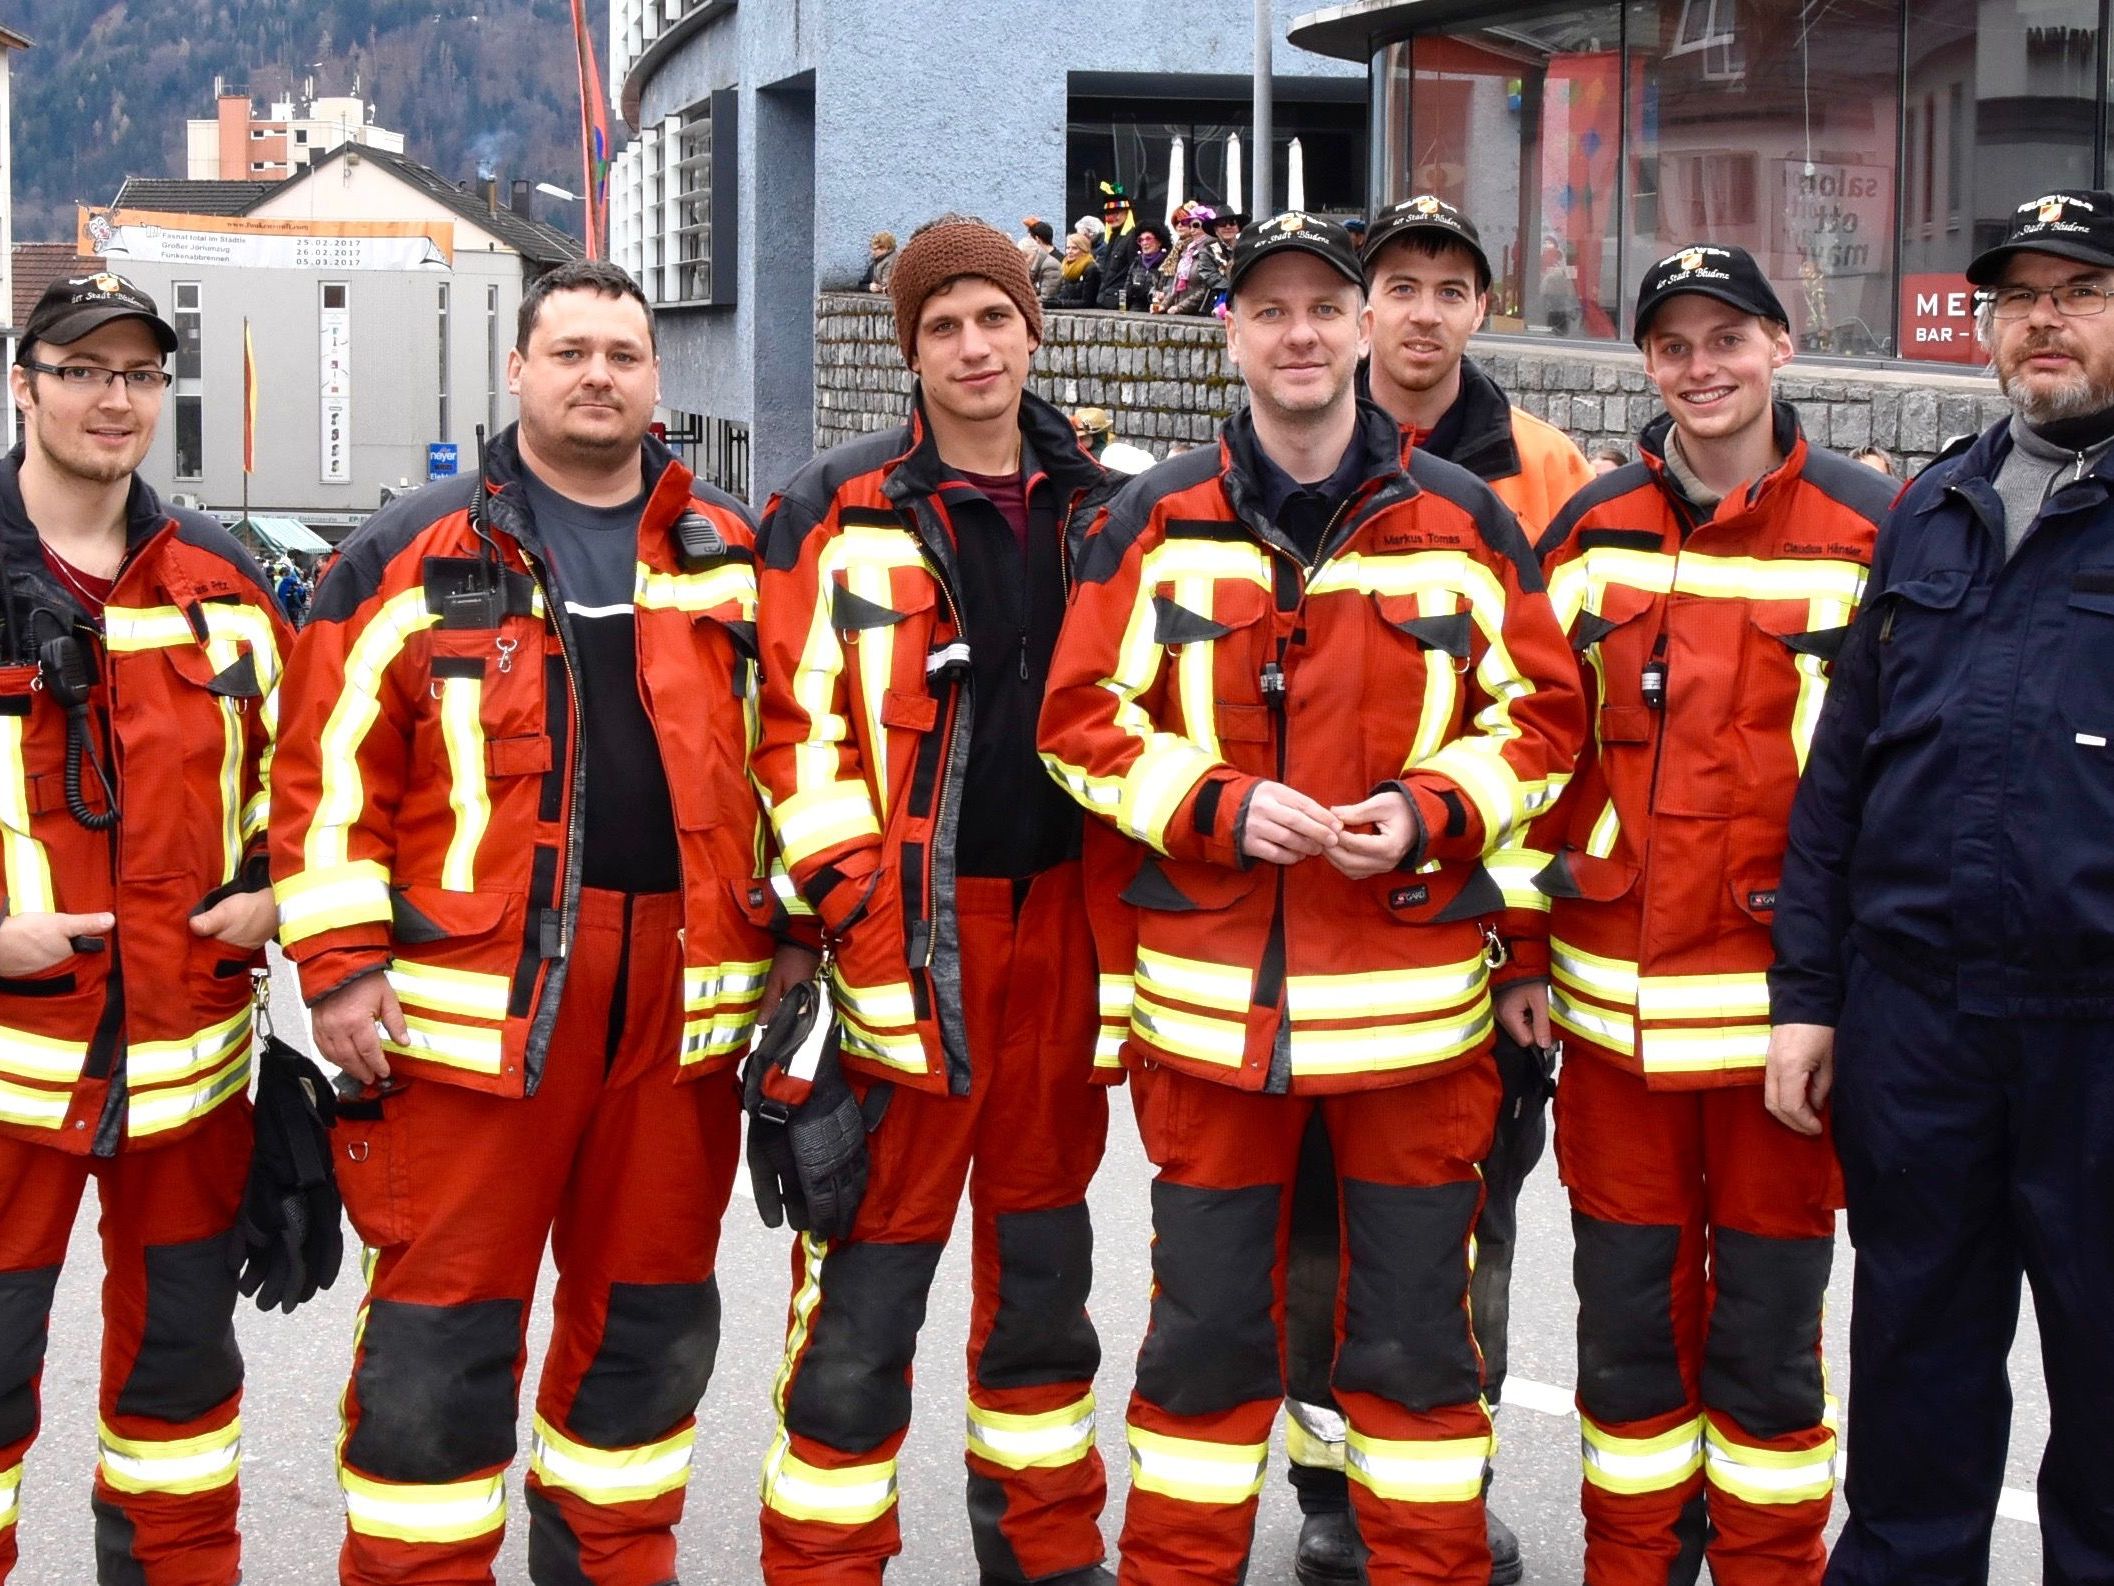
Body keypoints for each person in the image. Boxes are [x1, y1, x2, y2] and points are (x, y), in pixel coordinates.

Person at [1040, 211, 1583, 1586]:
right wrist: (1215, 804)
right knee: (1203, 1364)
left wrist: (1425, 809)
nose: (1298, 333)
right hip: (1218, 1036)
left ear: (1354, 331)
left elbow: (1544, 725)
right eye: (1267, 310)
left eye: (1320, 310)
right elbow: (1075, 724)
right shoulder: (1145, 519)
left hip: (1414, 1038)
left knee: (1415, 1369)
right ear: (1229, 330)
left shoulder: (1462, 522)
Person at [272, 258, 816, 1586]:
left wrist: (798, 932)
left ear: (654, 380)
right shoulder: (411, 553)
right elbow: (327, 779)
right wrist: (339, 972)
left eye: (622, 356)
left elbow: (802, 760)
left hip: (678, 1026)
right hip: (473, 1032)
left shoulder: (729, 558)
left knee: (647, 1337)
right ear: (517, 371)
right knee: (439, 1349)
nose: (596, 375)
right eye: (568, 351)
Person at [751, 216, 1123, 1586]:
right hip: (906, 945)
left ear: (1036, 329)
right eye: (942, 324)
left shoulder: (1106, 507)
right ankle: (825, 1560)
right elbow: (787, 738)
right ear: (909, 350)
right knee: (863, 1293)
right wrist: (851, 917)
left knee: (1042, 1283)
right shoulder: (830, 507)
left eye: (992, 317)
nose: (973, 346)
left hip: (1064, 937)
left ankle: (1044, 1553)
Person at [1517, 243, 1893, 1586]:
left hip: (1778, 1036)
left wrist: (1850, 995)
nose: (1701, 366)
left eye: (1726, 337)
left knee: (1768, 1348)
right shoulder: (1590, 531)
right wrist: (1517, 949)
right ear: (1646, 366)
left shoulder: (1867, 529)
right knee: (1623, 1338)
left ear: (1780, 347)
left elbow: (1898, 790)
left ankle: (1770, 1571)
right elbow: (1524, 759)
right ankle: (1632, 1569)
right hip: (1611, 1029)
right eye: (1672, 344)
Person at [1769, 188, 2114, 1586]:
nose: (2041, 318)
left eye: (2077, 291)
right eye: (2015, 296)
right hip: (1917, 1024)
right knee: (1911, 1364)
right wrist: (1806, 998)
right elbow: (1837, 779)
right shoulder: (1931, 509)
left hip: (2095, 1031)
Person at [1276, 193, 1595, 1586]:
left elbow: (1559, 728)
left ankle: (1439, 1491)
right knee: (1304, 1241)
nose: (1418, 309)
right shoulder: (1283, 454)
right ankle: (1331, 1494)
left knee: (1464, 1232)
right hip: (1297, 942)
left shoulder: (1541, 473)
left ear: (1480, 306)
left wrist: (1521, 942)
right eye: (1393, 283)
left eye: (1446, 285)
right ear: (1356, 310)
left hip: (1466, 946)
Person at [0, 271, 299, 1584]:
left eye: (134, 373)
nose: (111, 398)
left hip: (191, 1084)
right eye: (80, 370)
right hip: (8, 1081)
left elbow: (323, 783)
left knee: (179, 1409)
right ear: (25, 387)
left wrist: (288, 887)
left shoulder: (227, 583)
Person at [1068, 406, 1157, 475]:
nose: (1077, 441)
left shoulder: (1113, 455)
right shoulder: (1079, 460)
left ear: (1094, 436)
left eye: (1082, 437)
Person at [1113, 221, 1173, 313]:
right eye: (1141, 240)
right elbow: (1124, 291)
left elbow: (1168, 294)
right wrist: (1121, 311)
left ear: (1159, 242)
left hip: (1155, 313)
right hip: (1133, 312)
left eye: (1148, 239)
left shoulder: (1167, 263)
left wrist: (1146, 293)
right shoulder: (1136, 262)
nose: (1144, 243)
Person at [1052, 231, 1103, 309]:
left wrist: (1061, 304)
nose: (1070, 252)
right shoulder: (1066, 267)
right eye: (1068, 248)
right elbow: (1065, 293)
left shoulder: (1091, 269)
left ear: (1084, 250)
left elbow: (1087, 302)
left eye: (1074, 248)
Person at [1026, 218, 1064, 303]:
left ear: (1037, 239)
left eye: (1030, 239)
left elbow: (1047, 296)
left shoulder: (1051, 264)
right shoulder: (1059, 257)